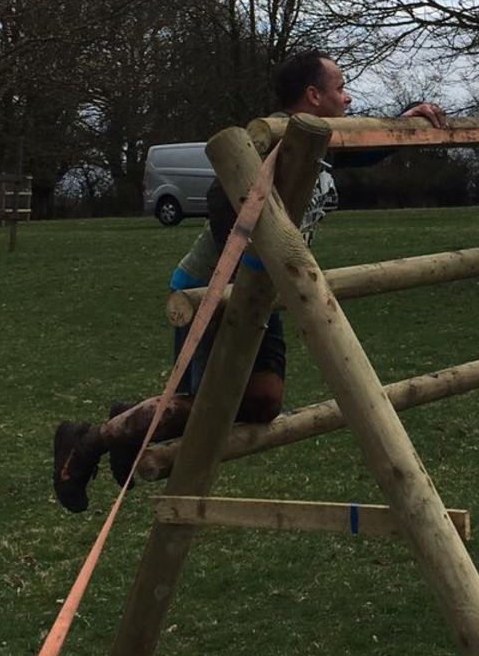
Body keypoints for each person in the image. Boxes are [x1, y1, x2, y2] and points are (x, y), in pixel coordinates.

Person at [52, 50, 446, 510]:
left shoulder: (313, 139)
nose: (348, 96)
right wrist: (254, 270)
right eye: (340, 88)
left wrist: (405, 121)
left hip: (262, 292)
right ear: (313, 95)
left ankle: (130, 423)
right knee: (216, 405)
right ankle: (88, 443)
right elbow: (225, 196)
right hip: (214, 290)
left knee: (260, 404)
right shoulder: (271, 139)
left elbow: (363, 148)